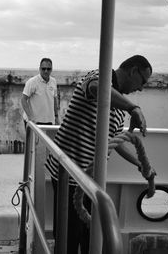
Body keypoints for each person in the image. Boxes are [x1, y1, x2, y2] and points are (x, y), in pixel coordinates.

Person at [45, 55, 153, 254]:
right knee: (69, 237)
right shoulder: (98, 76)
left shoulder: (120, 106)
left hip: (92, 178)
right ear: (133, 71)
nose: (141, 88)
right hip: (68, 173)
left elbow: (114, 141)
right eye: (142, 81)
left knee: (90, 235)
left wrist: (139, 163)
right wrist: (133, 108)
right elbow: (97, 89)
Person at [21, 58, 59, 127]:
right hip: (34, 122)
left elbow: (54, 100)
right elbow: (23, 99)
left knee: (48, 138)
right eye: (43, 69)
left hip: (49, 122)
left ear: (51, 69)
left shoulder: (53, 81)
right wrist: (30, 118)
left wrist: (56, 117)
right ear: (39, 69)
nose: (46, 71)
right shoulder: (32, 82)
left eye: (48, 69)